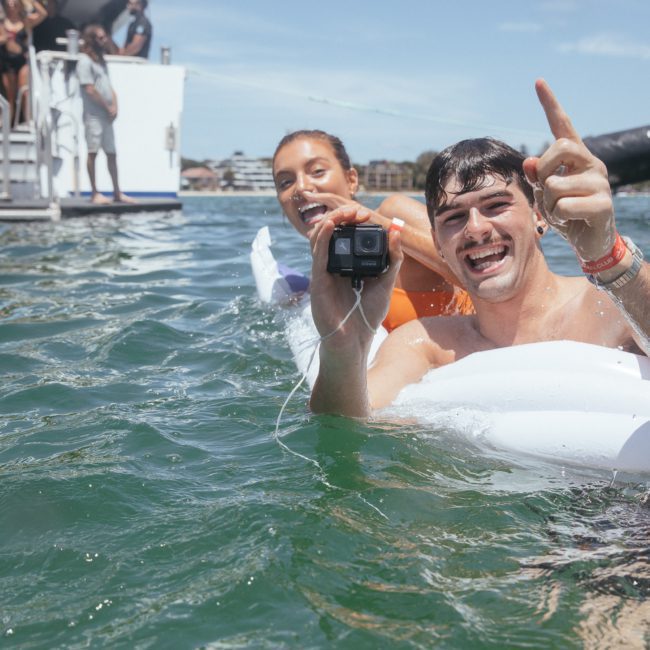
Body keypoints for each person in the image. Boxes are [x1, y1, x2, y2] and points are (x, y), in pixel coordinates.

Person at [305, 79, 649, 417]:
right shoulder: (427, 345)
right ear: (438, 244)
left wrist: (609, 259)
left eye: (496, 205)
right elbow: (350, 427)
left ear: (539, 216)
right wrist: (343, 344)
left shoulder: (612, 307)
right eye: (453, 217)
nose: (476, 228)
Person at [272, 130, 474, 332]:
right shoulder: (327, 266)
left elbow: (478, 273)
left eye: (317, 171)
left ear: (351, 180)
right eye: (285, 182)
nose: (301, 187)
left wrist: (381, 225)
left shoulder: (394, 213)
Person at [77, 24, 135, 204]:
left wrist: (114, 106)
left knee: (112, 153)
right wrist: (106, 106)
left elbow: (109, 87)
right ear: (92, 40)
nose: (105, 41)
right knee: (93, 152)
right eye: (101, 38)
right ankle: (95, 193)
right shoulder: (84, 61)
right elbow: (89, 89)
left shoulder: (101, 62)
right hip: (94, 116)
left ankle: (117, 192)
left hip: (107, 116)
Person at [0, 0, 46, 124]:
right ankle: (8, 126)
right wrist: (4, 39)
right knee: (10, 96)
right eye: (9, 3)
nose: (12, 6)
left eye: (15, 3)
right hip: (7, 63)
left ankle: (28, 122)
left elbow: (43, 14)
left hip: (22, 61)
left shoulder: (25, 21)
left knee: (24, 92)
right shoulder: (2, 23)